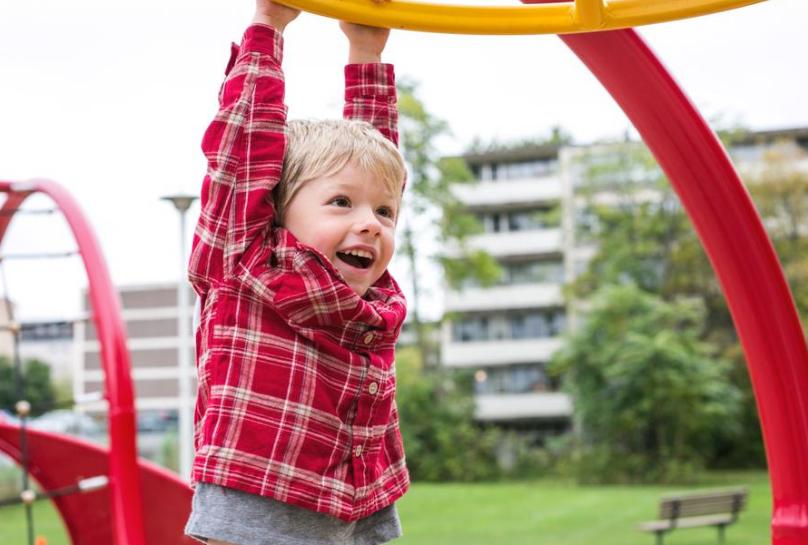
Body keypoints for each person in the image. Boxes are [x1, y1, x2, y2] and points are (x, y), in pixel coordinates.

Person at [183, 1, 409, 544]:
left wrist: (366, 51)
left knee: (371, 174)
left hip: (358, 504)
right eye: (340, 203)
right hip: (262, 502)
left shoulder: (371, 297)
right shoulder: (245, 264)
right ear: (276, 208)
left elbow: (378, 167)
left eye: (384, 213)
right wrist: (270, 26)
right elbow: (243, 149)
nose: (371, 224)